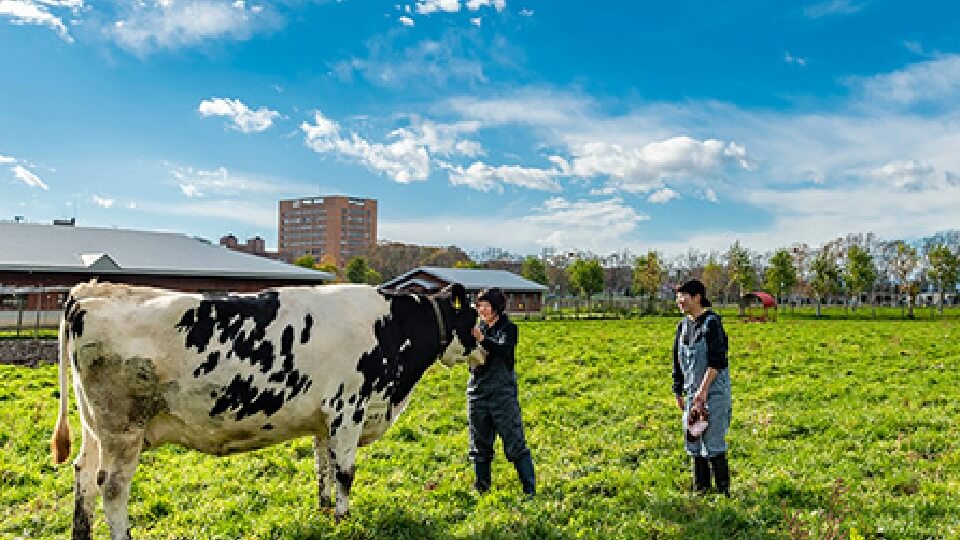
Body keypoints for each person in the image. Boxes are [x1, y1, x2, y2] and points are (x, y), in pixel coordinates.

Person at [467, 287, 536, 496]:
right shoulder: (478, 328)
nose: (482, 310)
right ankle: (482, 488)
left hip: (502, 394)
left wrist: (482, 340)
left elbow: (503, 349)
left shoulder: (508, 328)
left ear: (497, 307)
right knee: (479, 444)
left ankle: (529, 489)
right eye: (479, 305)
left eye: (486, 305)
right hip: (478, 392)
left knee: (514, 441)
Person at [672, 279, 732, 496]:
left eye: (683, 295)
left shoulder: (712, 323)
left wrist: (703, 390)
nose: (679, 300)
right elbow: (677, 362)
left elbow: (717, 361)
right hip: (691, 393)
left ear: (697, 297)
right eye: (678, 296)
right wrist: (678, 389)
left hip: (713, 393)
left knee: (713, 442)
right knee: (693, 441)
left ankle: (723, 492)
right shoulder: (683, 326)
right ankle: (701, 490)